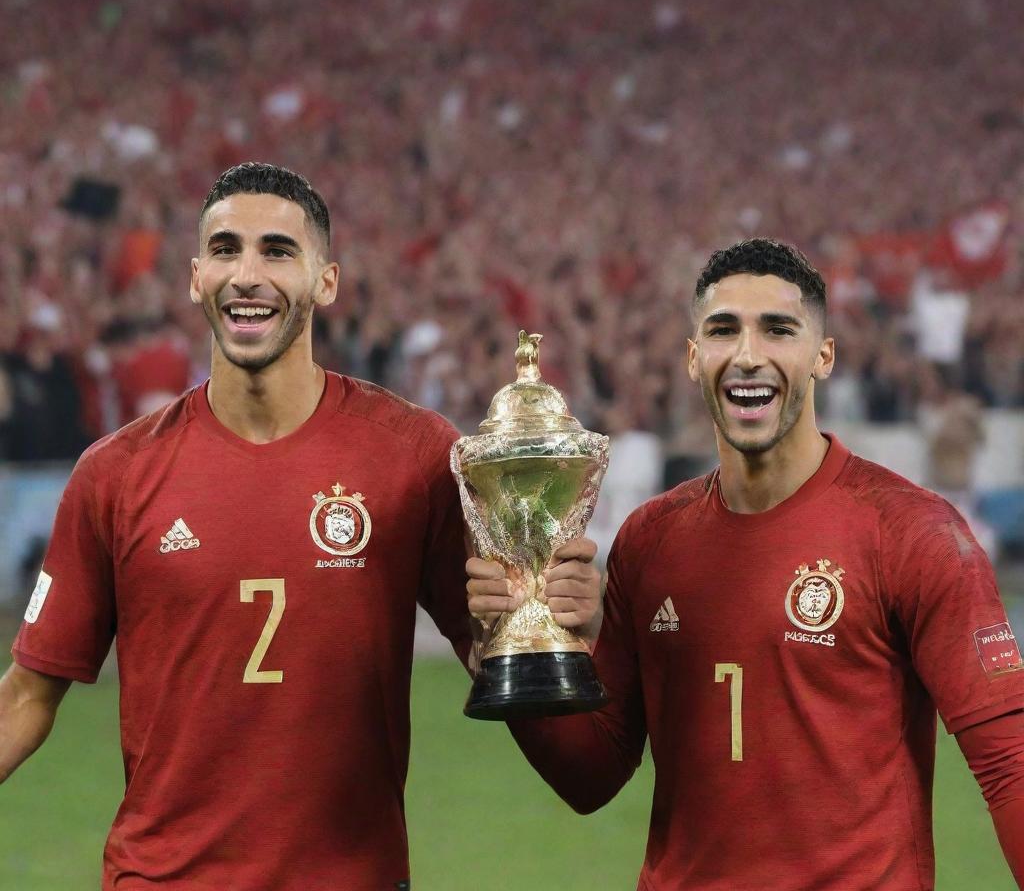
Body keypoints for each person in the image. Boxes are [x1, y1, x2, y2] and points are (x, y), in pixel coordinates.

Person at [0, 161, 601, 890]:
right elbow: (27, 696)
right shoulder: (115, 474)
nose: (247, 274)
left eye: (277, 252)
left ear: (327, 282)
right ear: (195, 278)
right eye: (225, 250)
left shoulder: (412, 454)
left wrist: (557, 619)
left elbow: (496, 654)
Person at [468, 238, 1024, 890]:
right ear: (693, 358)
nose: (748, 355)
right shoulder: (651, 542)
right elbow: (590, 776)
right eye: (723, 330)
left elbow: (1010, 762)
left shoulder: (912, 533)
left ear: (823, 356)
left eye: (778, 330)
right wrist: (515, 650)